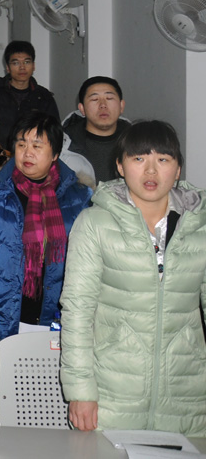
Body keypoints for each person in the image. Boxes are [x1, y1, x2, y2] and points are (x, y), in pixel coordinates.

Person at [61, 121, 206, 437]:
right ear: (120, 166)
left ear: (178, 169)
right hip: (110, 396)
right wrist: (80, 390)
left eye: (163, 159)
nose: (151, 170)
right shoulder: (94, 224)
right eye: (139, 158)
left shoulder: (200, 228)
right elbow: (77, 312)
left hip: (189, 398)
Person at [0, 112, 92, 340]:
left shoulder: (79, 198)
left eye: (37, 146)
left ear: (55, 154)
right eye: (21, 144)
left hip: (57, 316)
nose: (27, 153)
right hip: (2, 313)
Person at [0, 40, 60, 148]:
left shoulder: (44, 98)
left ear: (33, 66)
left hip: (32, 153)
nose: (22, 67)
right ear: (8, 68)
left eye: (27, 62)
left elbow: (54, 132)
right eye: (16, 63)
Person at [62, 76, 128, 184]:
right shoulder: (63, 147)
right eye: (94, 99)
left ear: (121, 106)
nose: (103, 105)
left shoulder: (138, 142)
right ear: (82, 109)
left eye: (109, 98)